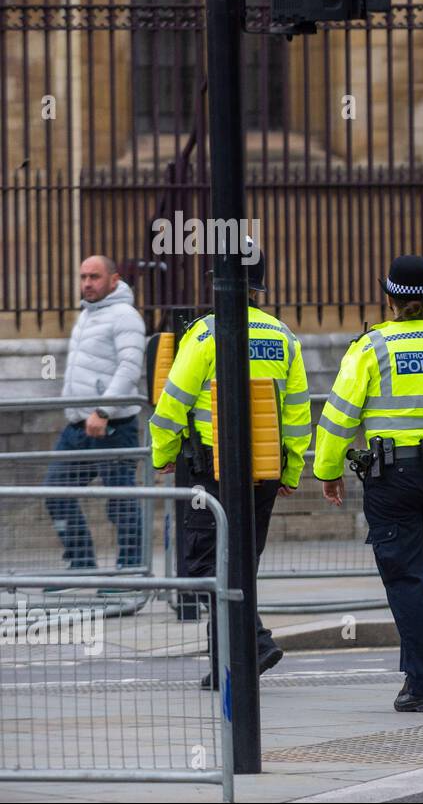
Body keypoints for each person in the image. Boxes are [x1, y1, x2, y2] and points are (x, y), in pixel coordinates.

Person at [315, 255, 423, 713]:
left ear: (387, 297)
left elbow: (338, 417)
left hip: (393, 477)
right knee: (419, 577)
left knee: (407, 578)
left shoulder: (370, 348)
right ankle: (416, 679)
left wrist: (328, 471)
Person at [150, 243, 308, 687]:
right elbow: (296, 413)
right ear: (258, 285)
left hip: (211, 473)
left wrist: (162, 454)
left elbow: (171, 404)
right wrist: (290, 470)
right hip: (263, 472)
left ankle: (255, 643)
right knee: (241, 567)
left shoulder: (203, 335)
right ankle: (228, 667)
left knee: (205, 566)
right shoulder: (283, 336)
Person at [45, 255, 145, 575]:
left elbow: (129, 367)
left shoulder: (124, 316)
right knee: (55, 492)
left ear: (113, 280)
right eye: (84, 277)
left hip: (113, 426)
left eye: (95, 277)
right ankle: (82, 565)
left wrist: (102, 410)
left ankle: (130, 572)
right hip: (78, 427)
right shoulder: (88, 315)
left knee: (120, 502)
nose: (87, 283)